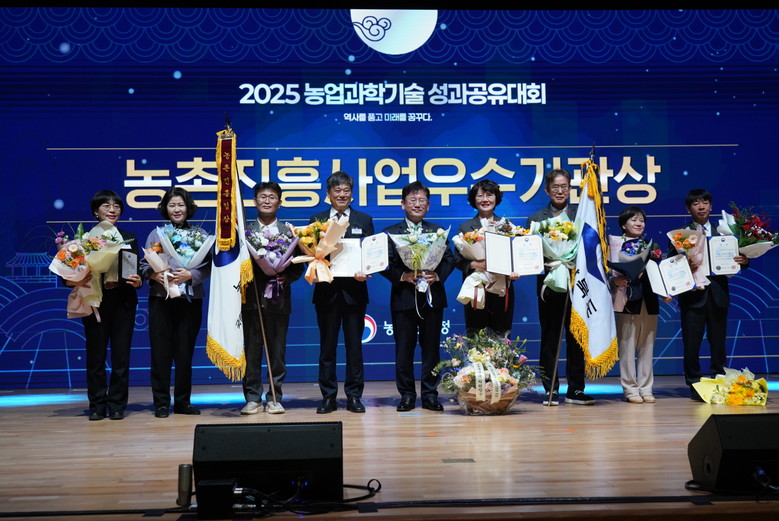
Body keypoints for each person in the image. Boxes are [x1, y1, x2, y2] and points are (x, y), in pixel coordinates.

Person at [381, 181, 455, 412]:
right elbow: (383, 263)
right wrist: (401, 276)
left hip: (432, 297)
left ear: (428, 205)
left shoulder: (438, 232)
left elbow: (449, 259)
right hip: (404, 297)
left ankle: (430, 394)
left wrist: (437, 275)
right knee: (404, 349)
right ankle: (407, 395)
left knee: (431, 348)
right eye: (412, 200)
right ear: (403, 204)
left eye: (422, 200)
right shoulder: (391, 233)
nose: (417, 204)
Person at [69, 190, 142, 420]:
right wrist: (75, 276)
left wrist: (138, 280)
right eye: (106, 206)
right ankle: (97, 405)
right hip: (95, 303)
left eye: (116, 206)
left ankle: (117, 404)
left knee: (121, 357)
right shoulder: (84, 241)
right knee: (96, 357)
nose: (112, 210)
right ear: (95, 211)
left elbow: (135, 270)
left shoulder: (129, 238)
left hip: (123, 302)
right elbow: (68, 274)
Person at [139, 187, 211, 418]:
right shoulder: (156, 234)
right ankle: (161, 402)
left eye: (181, 205)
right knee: (160, 352)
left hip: (190, 299)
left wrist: (191, 275)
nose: (177, 209)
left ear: (188, 207)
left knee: (184, 353)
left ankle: (182, 402)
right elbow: (144, 265)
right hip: (161, 298)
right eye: (172, 205)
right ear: (165, 208)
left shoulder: (200, 234)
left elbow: (209, 266)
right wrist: (155, 274)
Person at [671, 189, 749, 401]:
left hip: (718, 295)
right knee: (691, 343)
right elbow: (671, 265)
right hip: (692, 297)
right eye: (696, 203)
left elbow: (738, 259)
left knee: (718, 342)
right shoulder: (680, 235)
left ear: (711, 206)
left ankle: (719, 379)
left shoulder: (725, 232)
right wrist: (683, 265)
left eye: (705, 202)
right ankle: (694, 383)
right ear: (688, 208)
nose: (701, 206)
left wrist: (744, 261)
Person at [526, 169, 593, 406]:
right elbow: (529, 254)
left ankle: (576, 389)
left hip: (576, 284)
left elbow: (591, 248)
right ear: (547, 190)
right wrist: (548, 262)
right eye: (555, 187)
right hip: (550, 285)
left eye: (564, 186)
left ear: (570, 189)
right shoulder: (536, 218)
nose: (560, 191)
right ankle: (550, 388)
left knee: (576, 337)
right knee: (550, 337)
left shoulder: (581, 214)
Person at [310, 171, 373, 414]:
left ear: (352, 193)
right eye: (337, 191)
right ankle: (328, 396)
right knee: (327, 348)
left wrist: (367, 270)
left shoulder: (363, 220)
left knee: (354, 347)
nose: (342, 195)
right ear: (328, 194)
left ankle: (354, 396)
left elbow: (371, 254)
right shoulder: (316, 220)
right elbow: (311, 253)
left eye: (346, 190)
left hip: (355, 292)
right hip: (326, 292)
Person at [240, 181, 303, 415]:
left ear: (279, 202)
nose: (267, 201)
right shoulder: (245, 232)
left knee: (277, 352)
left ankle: (275, 397)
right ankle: (252, 398)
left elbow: (299, 264)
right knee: (252, 351)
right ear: (255, 201)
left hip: (279, 300)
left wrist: (287, 277)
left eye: (272, 197)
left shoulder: (289, 233)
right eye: (262, 197)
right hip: (252, 299)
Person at [609, 206, 669, 404]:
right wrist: (615, 281)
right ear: (623, 225)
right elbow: (606, 274)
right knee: (627, 347)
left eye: (641, 220)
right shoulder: (615, 245)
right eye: (633, 220)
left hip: (649, 300)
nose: (638, 223)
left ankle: (646, 387)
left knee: (647, 346)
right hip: (627, 300)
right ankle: (630, 388)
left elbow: (659, 273)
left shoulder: (651, 246)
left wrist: (666, 292)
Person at [454, 179, 518, 337]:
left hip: (502, 289)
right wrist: (475, 264)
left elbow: (516, 257)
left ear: (496, 198)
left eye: (489, 195)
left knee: (501, 335)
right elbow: (457, 260)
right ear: (474, 199)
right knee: (476, 335)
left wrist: (515, 270)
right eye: (480, 195)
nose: (485, 199)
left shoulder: (508, 226)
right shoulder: (465, 227)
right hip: (476, 288)